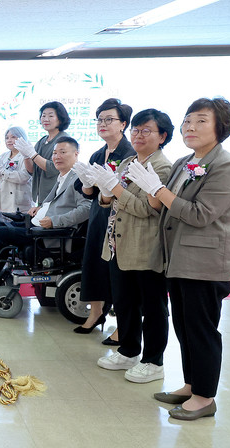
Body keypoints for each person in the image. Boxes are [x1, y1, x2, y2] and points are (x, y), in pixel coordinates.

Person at [128, 97, 230, 421]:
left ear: (221, 127)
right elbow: (165, 205)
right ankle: (192, 385)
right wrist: (152, 190)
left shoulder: (227, 166)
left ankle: (205, 398)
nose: (190, 126)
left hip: (205, 263)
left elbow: (200, 214)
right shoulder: (184, 161)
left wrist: (160, 191)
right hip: (176, 257)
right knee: (184, 327)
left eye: (201, 120)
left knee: (201, 330)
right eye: (187, 120)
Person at [88, 109, 173, 383]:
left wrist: (115, 189)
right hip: (117, 243)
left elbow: (147, 209)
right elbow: (110, 201)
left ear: (162, 136)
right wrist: (104, 191)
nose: (138, 135)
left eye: (146, 130)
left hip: (145, 246)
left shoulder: (162, 167)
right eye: (135, 130)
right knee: (124, 302)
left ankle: (153, 360)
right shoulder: (127, 161)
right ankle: (128, 350)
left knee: (153, 306)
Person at [0, 137, 90, 290]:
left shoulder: (79, 178)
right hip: (38, 224)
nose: (57, 157)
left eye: (62, 152)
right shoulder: (63, 176)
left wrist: (54, 221)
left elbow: (86, 209)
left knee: (1, 233)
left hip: (52, 232)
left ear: (76, 154)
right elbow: (55, 202)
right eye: (55, 153)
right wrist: (40, 207)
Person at [70, 99, 135, 336]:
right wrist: (87, 184)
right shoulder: (98, 153)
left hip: (120, 217)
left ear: (123, 124)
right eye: (99, 120)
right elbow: (86, 191)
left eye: (109, 119)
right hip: (98, 216)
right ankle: (96, 313)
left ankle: (122, 324)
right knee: (94, 264)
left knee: (117, 270)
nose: (102, 124)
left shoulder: (129, 153)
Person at [15, 101, 71, 204]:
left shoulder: (64, 140)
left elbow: (54, 168)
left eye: (50, 116)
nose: (46, 119)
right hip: (41, 196)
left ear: (60, 118)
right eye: (43, 116)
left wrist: (33, 154)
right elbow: (32, 170)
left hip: (56, 195)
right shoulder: (42, 141)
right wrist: (26, 156)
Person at [0, 127, 33, 224]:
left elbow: (24, 177)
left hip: (18, 204)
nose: (9, 140)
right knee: (0, 229)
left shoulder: (27, 156)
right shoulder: (4, 155)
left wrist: (2, 172)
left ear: (22, 138)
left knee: (15, 231)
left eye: (13, 137)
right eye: (7, 138)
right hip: (2, 203)